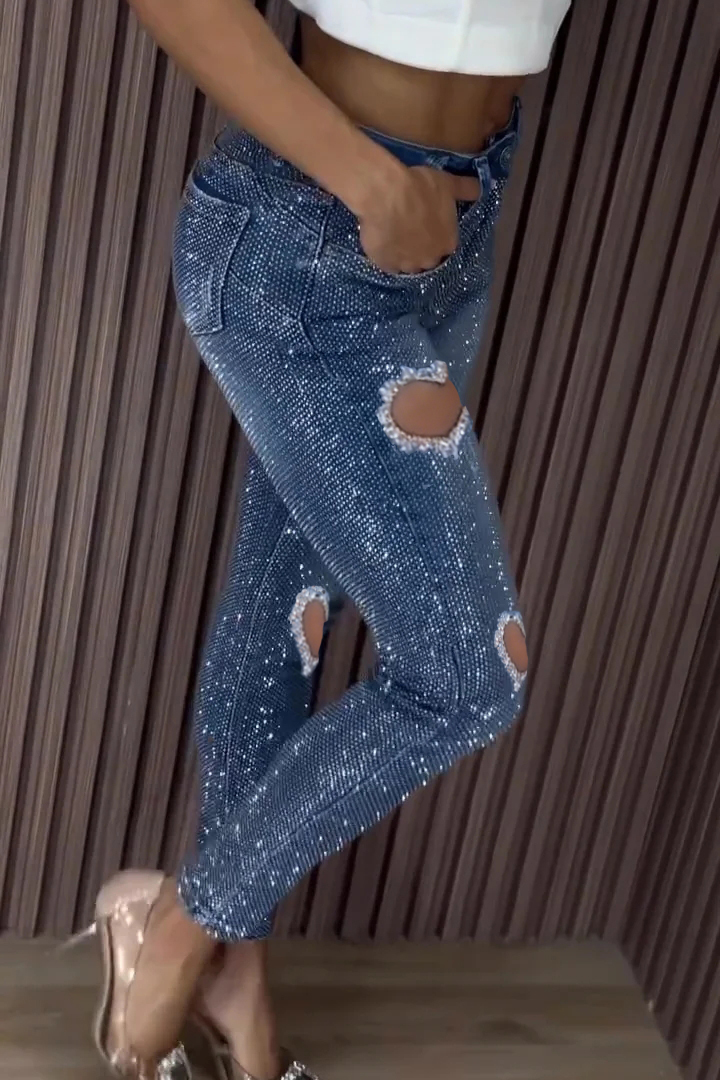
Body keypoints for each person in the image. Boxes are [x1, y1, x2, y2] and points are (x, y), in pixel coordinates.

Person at [80, 2, 571, 1078]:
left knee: (286, 605)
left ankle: (235, 974)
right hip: (313, 235)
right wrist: (368, 181)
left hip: (454, 219)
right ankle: (177, 924)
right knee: (468, 678)